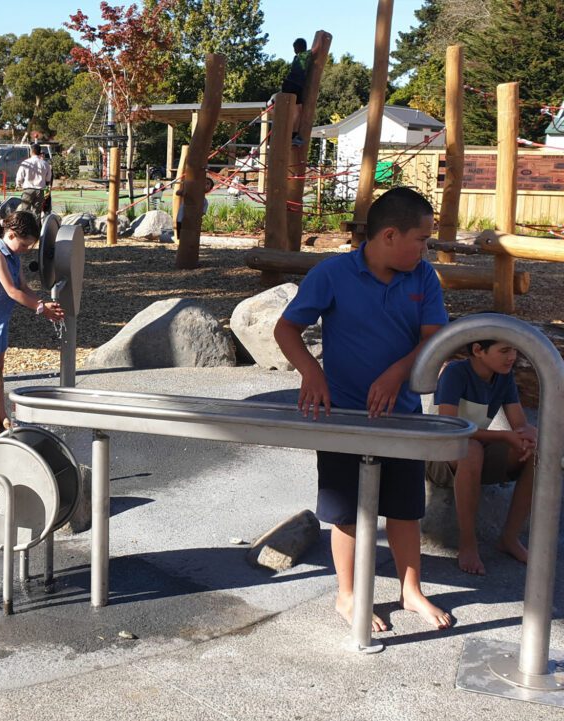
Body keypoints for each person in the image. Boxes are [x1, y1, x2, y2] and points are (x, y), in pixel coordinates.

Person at [273, 186, 453, 633]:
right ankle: (347, 594)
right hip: (343, 415)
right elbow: (287, 328)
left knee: (406, 509)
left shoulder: (423, 278)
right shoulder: (332, 274)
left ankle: (411, 590)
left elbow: (433, 338)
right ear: (390, 235)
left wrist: (397, 375)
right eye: (421, 239)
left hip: (403, 414)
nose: (426, 249)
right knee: (347, 513)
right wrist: (312, 374)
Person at [426, 332, 536, 575]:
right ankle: (468, 543)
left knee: (536, 452)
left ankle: (509, 538)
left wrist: (528, 437)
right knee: (471, 449)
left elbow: (519, 424)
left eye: (515, 350)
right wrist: (503, 436)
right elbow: (450, 429)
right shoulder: (455, 373)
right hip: (439, 454)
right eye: (504, 351)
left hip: (477, 453)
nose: (513, 357)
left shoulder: (504, 377)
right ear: (478, 350)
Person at [0, 211, 64, 434]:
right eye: (25, 244)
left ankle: (2, 414)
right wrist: (40, 309)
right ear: (10, 235)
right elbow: (11, 291)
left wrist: (43, 302)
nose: (27, 250)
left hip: (0, 315)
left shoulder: (14, 257)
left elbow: (24, 288)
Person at [279, 37, 310, 147]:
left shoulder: (298, 57)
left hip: (291, 84)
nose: (294, 50)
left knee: (295, 111)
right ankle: (292, 136)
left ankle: (292, 135)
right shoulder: (303, 56)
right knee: (297, 111)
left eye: (295, 48)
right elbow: (314, 51)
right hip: (294, 85)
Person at [16, 143, 52, 215]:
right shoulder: (45, 164)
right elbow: (48, 179)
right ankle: (36, 226)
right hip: (40, 191)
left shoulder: (26, 162)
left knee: (25, 211)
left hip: (28, 190)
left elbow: (19, 176)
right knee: (37, 212)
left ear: (31, 151)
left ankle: (26, 226)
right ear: (40, 152)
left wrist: (18, 184)